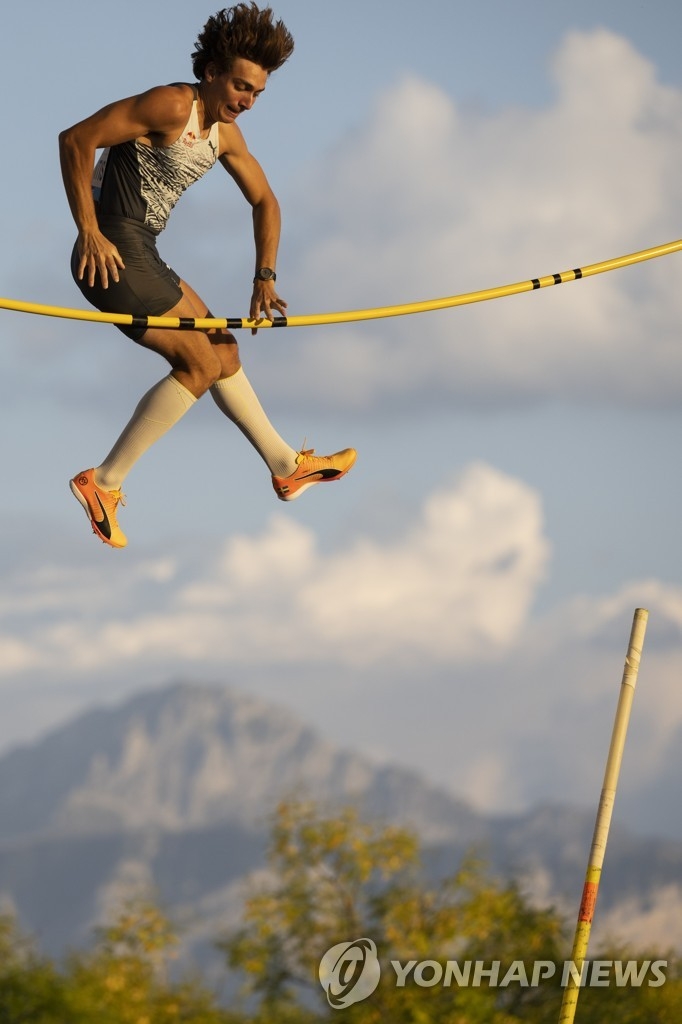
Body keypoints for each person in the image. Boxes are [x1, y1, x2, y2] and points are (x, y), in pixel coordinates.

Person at [59, 3, 356, 549]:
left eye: (257, 93)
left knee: (223, 351)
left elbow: (266, 201)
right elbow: (76, 139)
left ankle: (286, 467)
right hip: (113, 255)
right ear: (212, 72)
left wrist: (264, 276)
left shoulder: (225, 136)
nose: (247, 101)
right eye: (240, 86)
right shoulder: (172, 104)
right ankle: (103, 482)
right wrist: (88, 230)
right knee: (198, 365)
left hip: (144, 251)